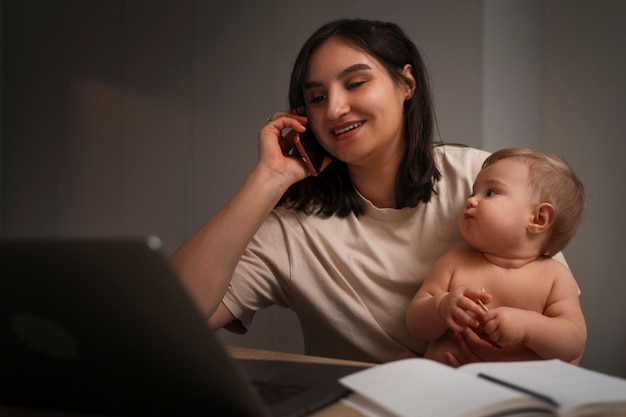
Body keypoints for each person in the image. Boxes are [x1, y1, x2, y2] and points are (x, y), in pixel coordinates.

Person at [169, 18, 572, 364]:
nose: (335, 109)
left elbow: (566, 339)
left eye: (356, 82)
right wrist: (269, 177)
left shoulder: (479, 178)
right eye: (317, 98)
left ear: (406, 83)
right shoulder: (293, 229)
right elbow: (172, 318)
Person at [406, 148, 587, 366]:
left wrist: (527, 327)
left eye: (490, 192)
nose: (471, 200)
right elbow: (415, 326)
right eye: (473, 192)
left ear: (538, 218)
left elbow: (573, 342)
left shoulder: (555, 278)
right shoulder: (454, 263)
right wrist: (441, 307)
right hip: (447, 385)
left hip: (517, 392)